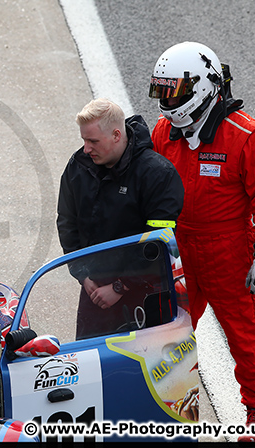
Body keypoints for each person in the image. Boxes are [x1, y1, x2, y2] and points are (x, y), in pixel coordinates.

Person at [148, 41, 255, 442]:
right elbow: (148, 187)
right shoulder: (163, 130)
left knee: (245, 336)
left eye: (174, 91)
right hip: (178, 248)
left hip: (229, 253)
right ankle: (171, 414)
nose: (167, 101)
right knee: (165, 333)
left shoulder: (245, 135)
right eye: (161, 91)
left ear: (202, 87)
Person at [56, 98, 184, 339]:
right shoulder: (78, 166)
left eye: (93, 141)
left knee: (149, 373)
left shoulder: (158, 174)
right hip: (93, 290)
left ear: (116, 135)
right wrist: (83, 275)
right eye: (84, 140)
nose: (86, 149)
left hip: (146, 293)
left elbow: (159, 241)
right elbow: (66, 222)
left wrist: (120, 286)